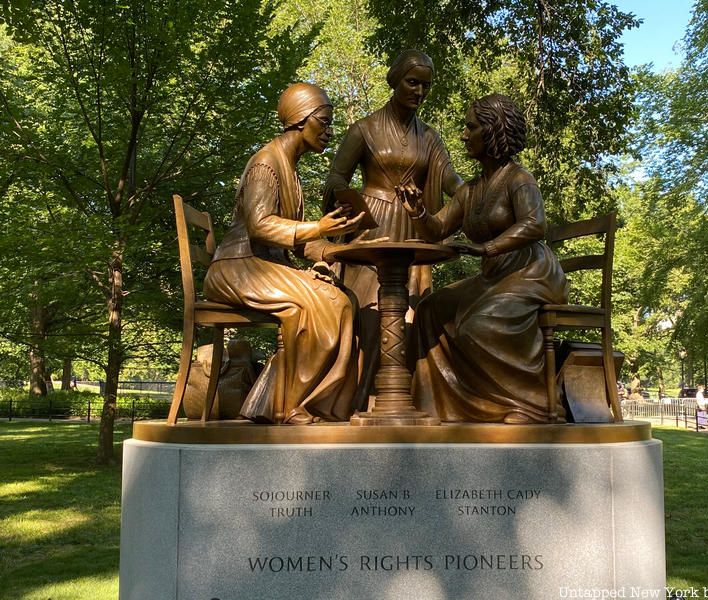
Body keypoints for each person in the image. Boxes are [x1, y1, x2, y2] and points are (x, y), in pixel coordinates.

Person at [399, 93, 568, 423]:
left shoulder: (519, 179)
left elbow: (535, 224)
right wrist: (417, 210)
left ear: (492, 132)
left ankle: (532, 406)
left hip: (531, 272)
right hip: (495, 277)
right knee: (430, 310)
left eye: (470, 127)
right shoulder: (471, 190)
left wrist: (487, 248)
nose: (463, 134)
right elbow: (436, 229)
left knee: (478, 326)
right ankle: (441, 405)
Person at [204, 83, 363, 424]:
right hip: (239, 266)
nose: (329, 131)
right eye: (324, 121)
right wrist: (319, 227)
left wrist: (344, 249)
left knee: (340, 297)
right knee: (325, 303)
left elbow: (301, 242)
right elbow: (260, 225)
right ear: (300, 120)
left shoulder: (289, 168)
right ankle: (291, 405)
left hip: (260, 265)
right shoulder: (266, 163)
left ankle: (296, 402)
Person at [323, 49, 463, 409]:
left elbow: (450, 179)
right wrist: (347, 205)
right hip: (372, 228)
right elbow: (337, 175)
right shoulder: (364, 129)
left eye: (426, 86)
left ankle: (403, 399)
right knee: (370, 316)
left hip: (413, 228)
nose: (419, 91)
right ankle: (363, 400)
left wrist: (476, 195)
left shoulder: (429, 138)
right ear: (395, 81)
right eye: (412, 82)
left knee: (413, 316)